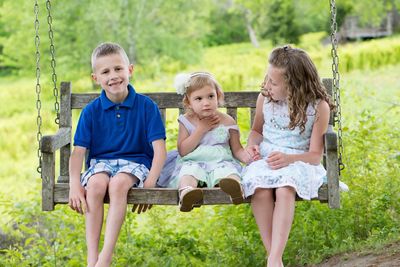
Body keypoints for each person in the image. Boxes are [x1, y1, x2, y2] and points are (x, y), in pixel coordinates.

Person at [68, 42, 166, 267]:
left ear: (129, 70)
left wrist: (150, 182)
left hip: (136, 162)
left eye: (118, 69)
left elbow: (159, 150)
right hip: (101, 163)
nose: (113, 76)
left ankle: (105, 257)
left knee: (119, 184)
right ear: (96, 78)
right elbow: (78, 153)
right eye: (105, 72)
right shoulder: (91, 111)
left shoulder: (146, 106)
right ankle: (92, 256)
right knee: (94, 186)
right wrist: (75, 184)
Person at [241, 45, 334, 267]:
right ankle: (275, 259)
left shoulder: (318, 107)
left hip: (299, 162)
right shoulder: (265, 99)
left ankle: (273, 258)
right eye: (267, 78)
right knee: (260, 190)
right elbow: (256, 132)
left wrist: (289, 159)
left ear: (293, 86)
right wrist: (252, 146)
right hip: (267, 158)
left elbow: (314, 155)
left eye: (273, 82)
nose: (267, 85)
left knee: (284, 189)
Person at [166, 72, 259, 212]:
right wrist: (200, 130)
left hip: (220, 162)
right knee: (189, 172)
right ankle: (186, 193)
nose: (206, 102)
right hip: (194, 161)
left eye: (211, 96)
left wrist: (249, 157)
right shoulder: (186, 121)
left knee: (228, 171)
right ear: (188, 102)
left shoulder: (228, 121)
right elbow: (183, 150)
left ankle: (236, 189)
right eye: (198, 98)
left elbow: (237, 150)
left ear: (218, 96)